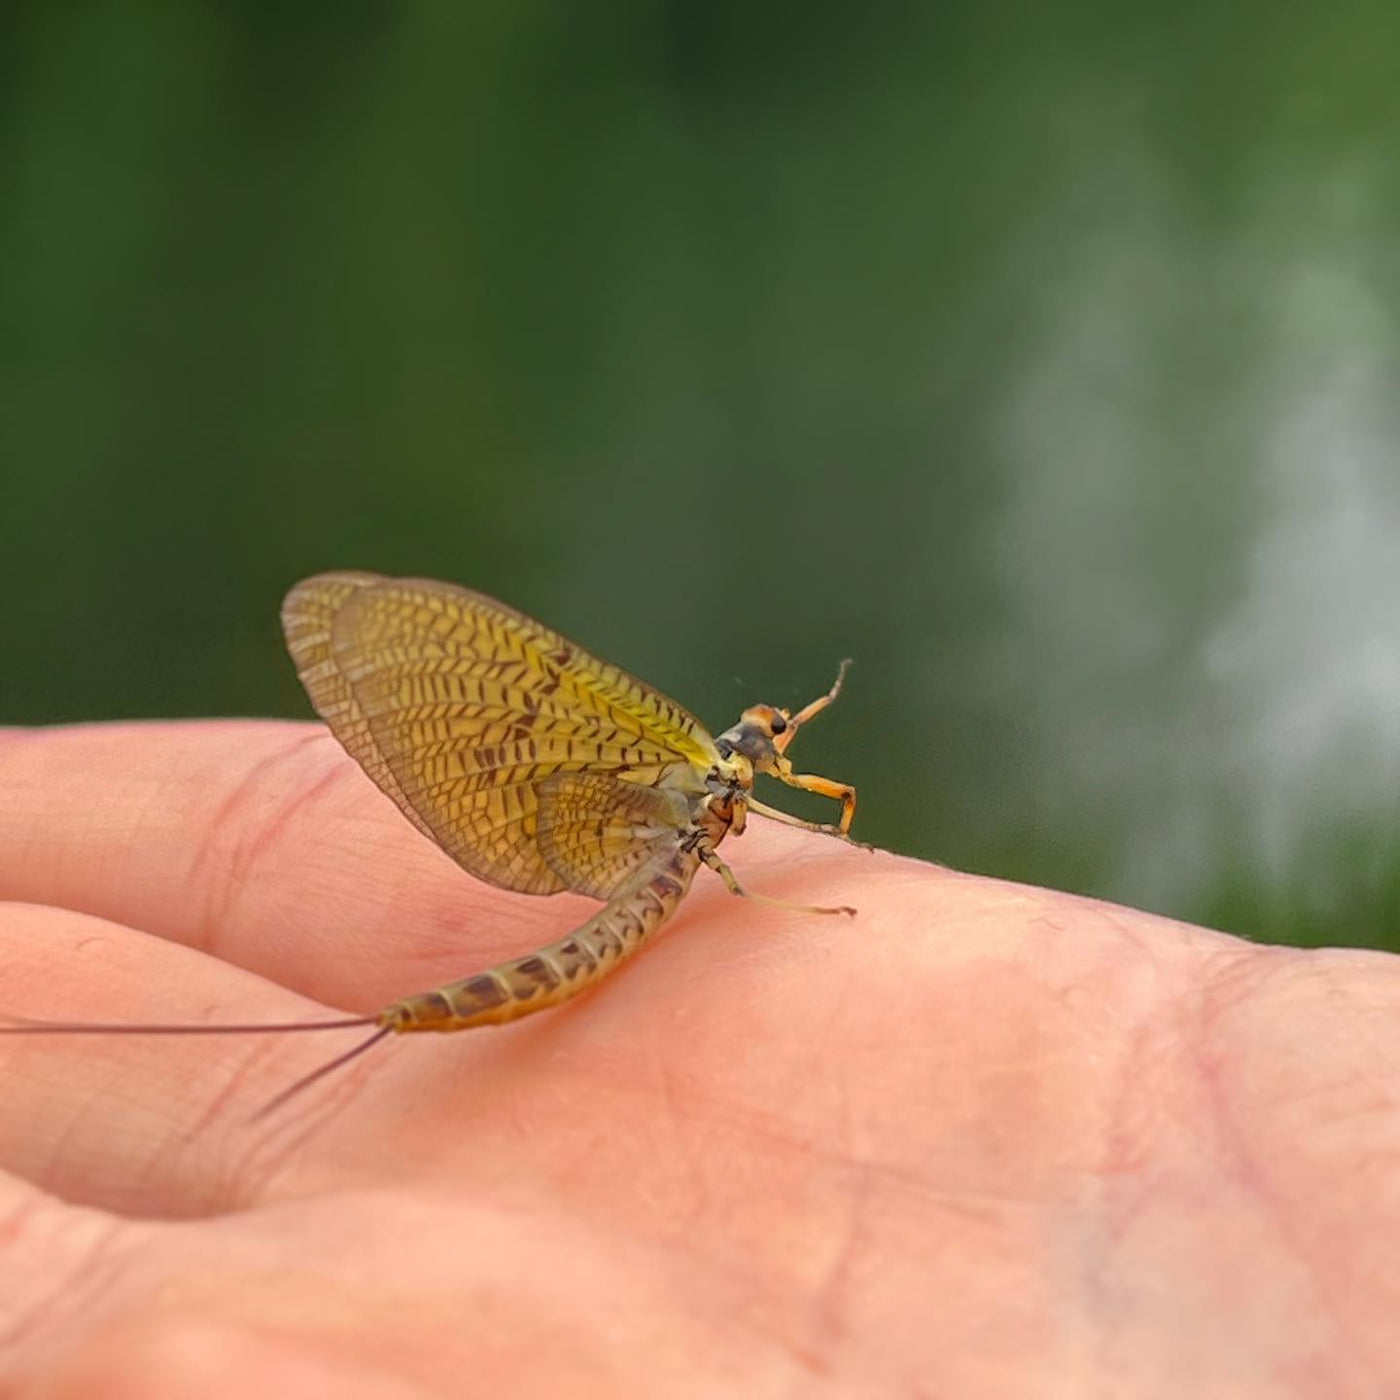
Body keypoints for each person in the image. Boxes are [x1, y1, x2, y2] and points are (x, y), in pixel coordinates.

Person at [1, 721, 1395, 1396]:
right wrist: (808, 892)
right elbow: (773, 862)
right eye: (769, 742)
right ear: (755, 765)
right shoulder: (720, 816)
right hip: (589, 934)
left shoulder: (711, 787)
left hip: (626, 898)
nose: (772, 750)